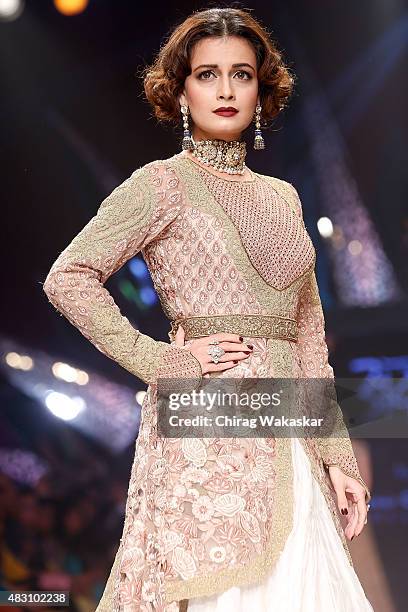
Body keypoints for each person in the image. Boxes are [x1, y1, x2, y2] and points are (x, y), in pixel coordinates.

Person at [42, 7, 374, 611]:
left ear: (262, 88)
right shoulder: (160, 183)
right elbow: (69, 276)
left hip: (292, 437)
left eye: (241, 74)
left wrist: (338, 455)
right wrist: (161, 360)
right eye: (207, 74)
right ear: (181, 88)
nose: (225, 89)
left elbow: (307, 337)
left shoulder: (284, 197)